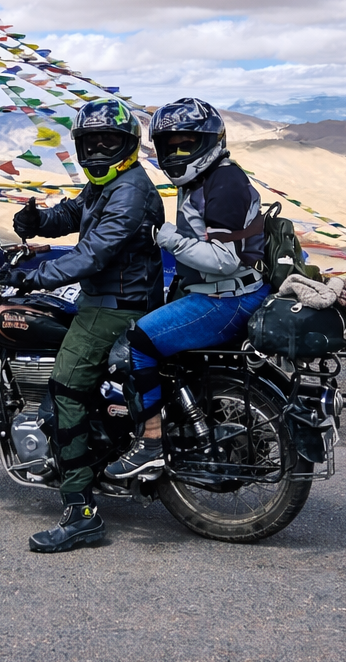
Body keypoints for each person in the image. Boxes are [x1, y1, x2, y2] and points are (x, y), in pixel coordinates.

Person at [4, 98, 165, 553]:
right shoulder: (107, 184)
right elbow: (74, 215)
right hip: (104, 299)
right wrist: (39, 221)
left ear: (127, 145)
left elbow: (93, 254)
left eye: (108, 141)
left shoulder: (130, 191)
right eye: (90, 142)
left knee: (65, 394)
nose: (98, 150)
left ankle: (81, 513)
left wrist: (32, 277)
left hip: (115, 307)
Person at [104, 97, 270, 479]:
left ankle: (150, 443)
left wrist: (169, 239)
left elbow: (224, 259)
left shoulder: (225, 183)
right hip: (222, 292)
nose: (176, 154)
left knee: (138, 342)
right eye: (169, 146)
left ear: (209, 142)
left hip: (227, 298)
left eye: (186, 144)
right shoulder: (203, 180)